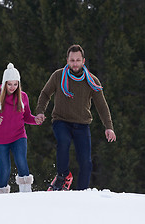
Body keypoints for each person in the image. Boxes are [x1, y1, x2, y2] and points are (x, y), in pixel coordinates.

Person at [36, 44, 116, 191]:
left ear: (83, 61)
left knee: (86, 162)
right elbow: (45, 94)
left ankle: (82, 192)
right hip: (61, 121)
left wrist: (109, 127)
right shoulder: (58, 76)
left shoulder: (92, 81)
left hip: (82, 124)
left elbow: (102, 106)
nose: (75, 64)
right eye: (72, 60)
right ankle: (62, 177)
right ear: (67, 60)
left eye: (78, 60)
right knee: (63, 141)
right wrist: (41, 111)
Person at [0, 63, 44, 194]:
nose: (12, 87)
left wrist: (36, 120)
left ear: (19, 84)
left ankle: (26, 194)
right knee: (5, 169)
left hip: (18, 136)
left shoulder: (23, 97)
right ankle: (0, 195)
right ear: (4, 83)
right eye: (9, 84)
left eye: (15, 84)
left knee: (21, 161)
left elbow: (26, 116)